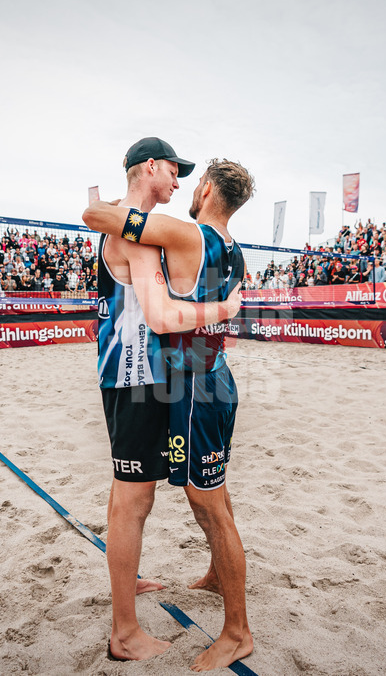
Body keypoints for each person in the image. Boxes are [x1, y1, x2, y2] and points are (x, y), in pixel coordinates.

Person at [84, 156, 256, 671]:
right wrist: (225, 311)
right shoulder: (236, 252)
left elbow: (97, 218)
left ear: (204, 190)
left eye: (189, 179)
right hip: (195, 375)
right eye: (171, 172)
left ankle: (236, 631)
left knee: (201, 506)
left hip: (183, 383)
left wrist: (118, 204)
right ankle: (199, 579)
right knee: (199, 496)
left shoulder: (184, 235)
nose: (181, 183)